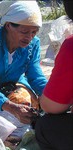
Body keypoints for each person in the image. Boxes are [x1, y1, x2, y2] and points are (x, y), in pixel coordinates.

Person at [35, 1, 73, 150]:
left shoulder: (70, 47)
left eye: (32, 32)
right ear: (8, 26)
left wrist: (44, 96)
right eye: (24, 31)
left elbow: (51, 106)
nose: (29, 36)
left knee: (45, 126)